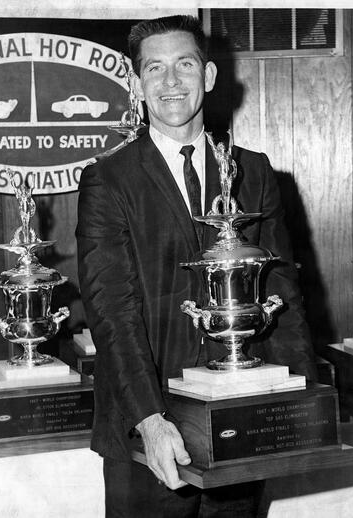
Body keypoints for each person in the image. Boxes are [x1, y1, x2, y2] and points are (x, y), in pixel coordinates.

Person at [76, 15, 317, 517]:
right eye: (154, 69)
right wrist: (151, 420)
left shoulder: (253, 171)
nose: (170, 82)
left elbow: (284, 295)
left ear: (207, 76)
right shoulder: (108, 180)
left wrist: (303, 404)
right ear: (137, 84)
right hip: (152, 430)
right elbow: (111, 312)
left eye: (184, 65)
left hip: (238, 415)